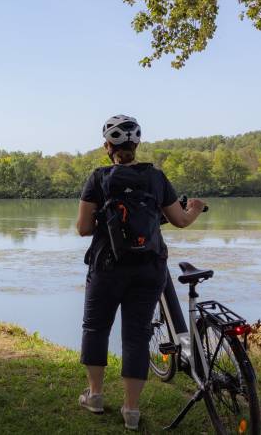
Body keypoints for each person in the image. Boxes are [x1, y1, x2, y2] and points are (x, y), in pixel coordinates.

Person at [75, 115, 205, 430]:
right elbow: (180, 221)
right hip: (148, 269)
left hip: (106, 268)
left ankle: (94, 396)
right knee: (136, 336)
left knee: (95, 329)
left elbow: (82, 229)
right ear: (137, 145)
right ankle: (131, 411)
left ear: (108, 147)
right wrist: (196, 207)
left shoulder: (98, 178)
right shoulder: (156, 178)